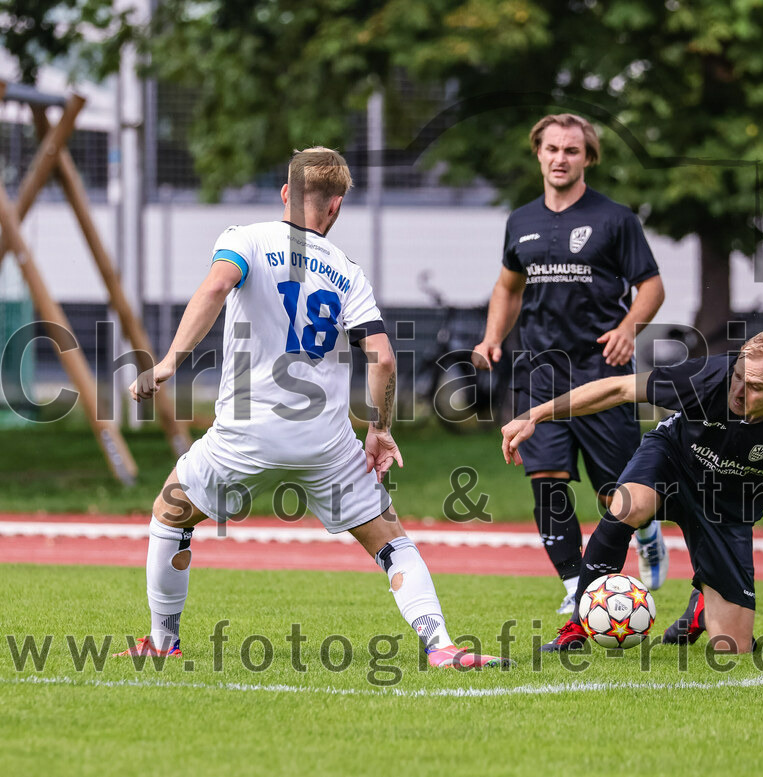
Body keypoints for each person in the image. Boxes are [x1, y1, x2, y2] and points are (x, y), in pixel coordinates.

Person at [119, 147, 511, 670]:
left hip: (245, 434)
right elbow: (385, 359)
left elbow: (216, 286)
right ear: (337, 207)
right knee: (389, 539)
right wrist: (380, 430)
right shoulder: (347, 271)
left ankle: (163, 642)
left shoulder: (245, 240)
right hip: (324, 443)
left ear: (286, 193)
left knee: (171, 511)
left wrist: (169, 361)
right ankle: (439, 645)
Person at [500, 329, 763, 654]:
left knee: (732, 649)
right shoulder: (708, 378)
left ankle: (701, 606)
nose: (740, 389)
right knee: (626, 505)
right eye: (740, 376)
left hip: (727, 509)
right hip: (672, 462)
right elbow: (620, 389)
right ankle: (577, 627)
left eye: (756, 386)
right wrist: (536, 414)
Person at [473, 113, 668, 614]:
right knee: (547, 479)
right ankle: (575, 587)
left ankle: (646, 531)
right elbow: (507, 286)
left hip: (601, 370)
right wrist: (493, 337)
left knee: (616, 494)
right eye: (553, 149)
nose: (561, 158)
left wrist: (628, 330)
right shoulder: (521, 221)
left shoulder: (616, 219)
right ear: (538, 153)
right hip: (539, 371)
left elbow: (652, 287)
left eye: (572, 151)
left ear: (588, 158)